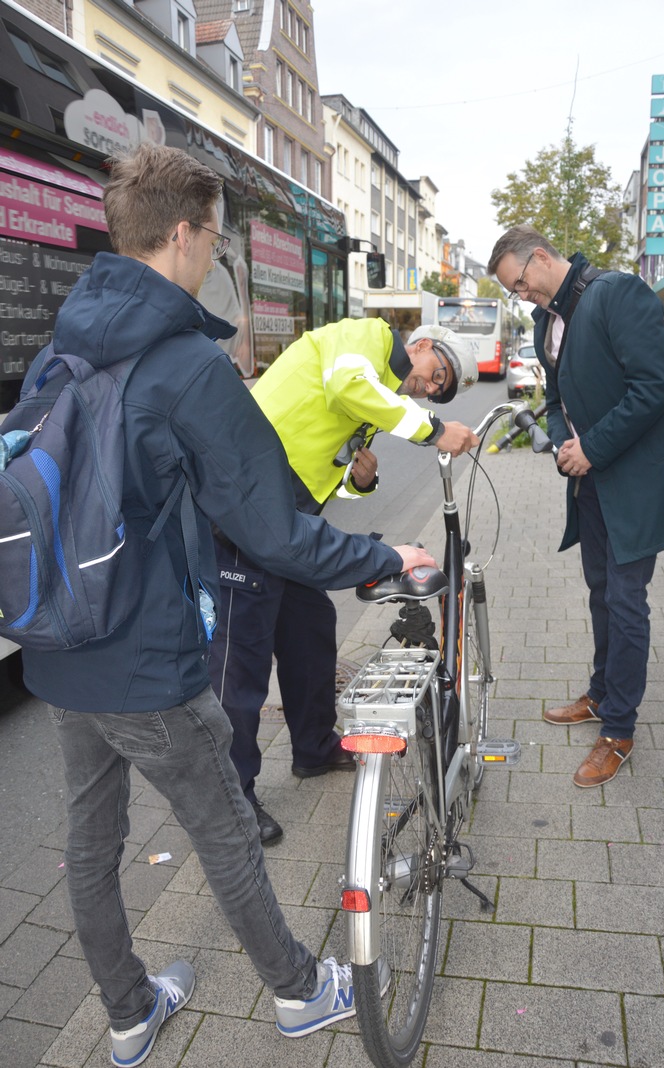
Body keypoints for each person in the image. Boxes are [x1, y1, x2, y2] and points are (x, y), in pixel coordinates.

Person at [18, 142, 436, 1066]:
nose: (215, 255)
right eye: (213, 237)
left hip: (59, 643)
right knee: (228, 831)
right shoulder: (187, 367)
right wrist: (380, 552)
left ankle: (129, 1014)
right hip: (147, 660)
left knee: (92, 843)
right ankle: (298, 993)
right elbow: (277, 528)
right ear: (180, 235)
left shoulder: (63, 342)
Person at [210, 317, 481, 843]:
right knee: (238, 660)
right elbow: (344, 384)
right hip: (244, 496)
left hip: (287, 512)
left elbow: (328, 468)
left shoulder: (377, 388)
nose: (428, 387)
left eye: (439, 391)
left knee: (311, 623)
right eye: (435, 372)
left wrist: (364, 480)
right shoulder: (369, 339)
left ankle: (313, 748)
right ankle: (230, 805)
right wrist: (432, 429)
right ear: (421, 344)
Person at [487, 224, 664, 788]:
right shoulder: (546, 323)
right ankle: (602, 692)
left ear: (539, 257)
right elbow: (557, 398)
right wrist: (567, 442)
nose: (522, 297)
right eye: (514, 292)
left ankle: (619, 730)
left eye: (520, 284)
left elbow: (655, 388)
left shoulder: (617, 292)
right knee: (600, 593)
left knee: (626, 599)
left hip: (633, 482)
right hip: (590, 481)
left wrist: (593, 447)